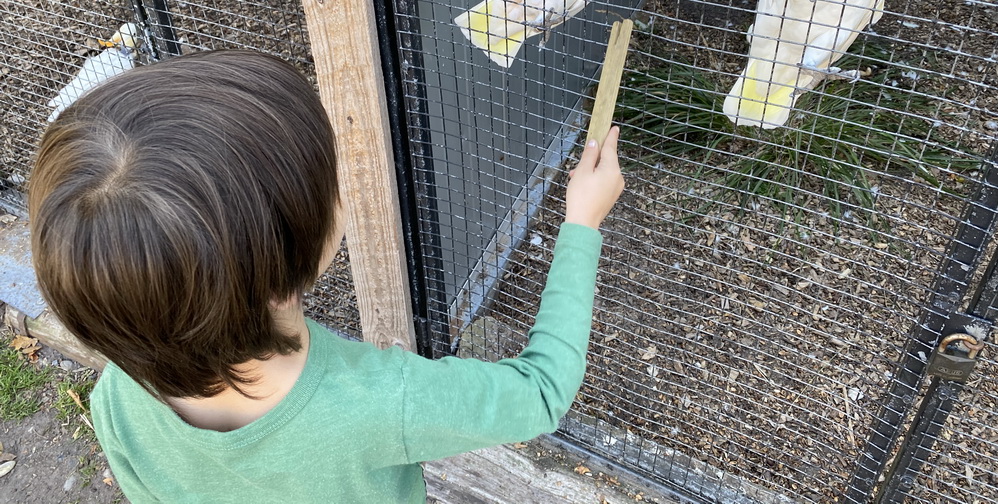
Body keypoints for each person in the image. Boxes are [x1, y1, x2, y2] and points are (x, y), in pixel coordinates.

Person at [29, 48, 624, 503]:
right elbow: (543, 392)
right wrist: (581, 224)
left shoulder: (117, 401)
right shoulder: (383, 402)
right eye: (327, 182)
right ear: (287, 269)